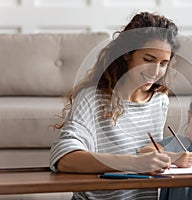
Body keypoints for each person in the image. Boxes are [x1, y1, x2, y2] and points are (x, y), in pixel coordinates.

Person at [49, 11, 181, 200]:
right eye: (148, 60)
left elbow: (145, 154)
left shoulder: (159, 100)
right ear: (127, 54)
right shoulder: (92, 98)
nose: (155, 71)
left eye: (163, 63)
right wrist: (135, 163)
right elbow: (64, 159)